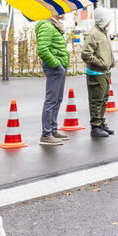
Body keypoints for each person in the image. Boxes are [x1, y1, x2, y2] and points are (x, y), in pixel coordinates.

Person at [36, 13, 70, 146]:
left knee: (57, 99)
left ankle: (53, 130)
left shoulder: (54, 26)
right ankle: (46, 134)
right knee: (51, 100)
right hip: (55, 67)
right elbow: (43, 50)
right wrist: (57, 64)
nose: (64, 11)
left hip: (59, 67)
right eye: (60, 8)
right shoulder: (47, 26)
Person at [82, 9, 116, 138]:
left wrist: (109, 63)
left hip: (105, 72)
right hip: (96, 72)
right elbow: (85, 54)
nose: (110, 21)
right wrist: (100, 63)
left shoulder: (102, 32)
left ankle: (101, 123)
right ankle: (95, 126)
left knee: (104, 98)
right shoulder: (93, 34)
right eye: (107, 19)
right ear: (102, 19)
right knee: (96, 99)